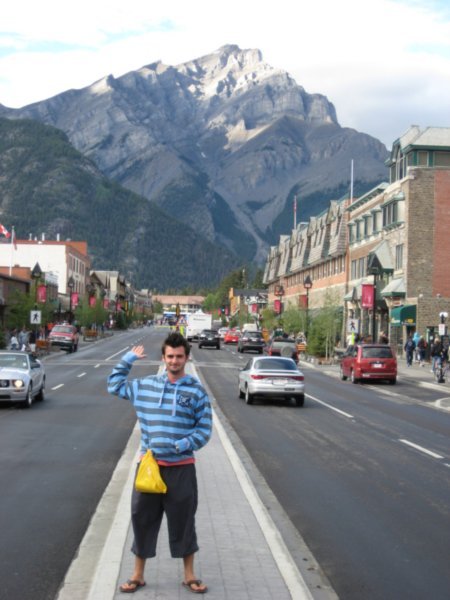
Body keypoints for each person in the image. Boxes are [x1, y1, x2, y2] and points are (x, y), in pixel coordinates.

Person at [107, 332, 212, 595]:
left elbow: (204, 429)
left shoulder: (197, 391)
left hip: (181, 469)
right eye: (170, 356)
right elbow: (114, 385)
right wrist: (128, 359)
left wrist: (183, 444)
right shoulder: (146, 386)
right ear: (163, 358)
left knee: (184, 521)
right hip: (150, 468)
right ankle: (137, 575)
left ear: (186, 358)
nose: (174, 361)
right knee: (142, 519)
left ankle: (189, 576)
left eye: (179, 356)